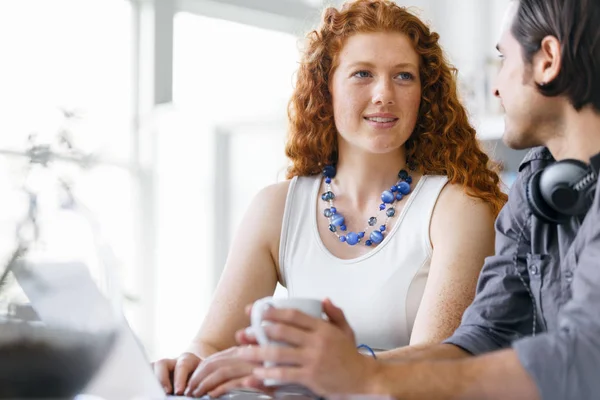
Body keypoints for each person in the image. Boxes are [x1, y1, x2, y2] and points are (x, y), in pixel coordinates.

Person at [235, 0, 600, 398]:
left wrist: (369, 378)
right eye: (361, 74)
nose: (495, 87)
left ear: (547, 60)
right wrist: (352, 365)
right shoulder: (535, 188)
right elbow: (480, 337)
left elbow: (584, 355)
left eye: (503, 58)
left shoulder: (457, 207)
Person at [153, 0, 508, 397]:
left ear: (424, 94)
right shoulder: (275, 208)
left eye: (404, 76)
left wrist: (319, 367)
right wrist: (187, 366)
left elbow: (440, 361)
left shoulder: (456, 209)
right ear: (326, 88)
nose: (383, 94)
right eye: (362, 74)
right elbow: (212, 345)